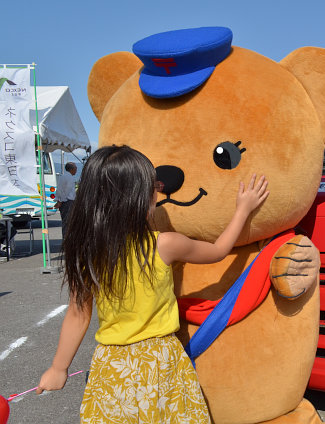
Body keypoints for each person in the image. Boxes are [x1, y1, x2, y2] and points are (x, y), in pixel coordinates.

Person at [36, 145, 269, 423]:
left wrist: (58, 368)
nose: (158, 193)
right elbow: (218, 250)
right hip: (160, 363)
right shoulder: (164, 244)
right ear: (137, 197)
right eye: (152, 187)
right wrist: (243, 210)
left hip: (112, 368)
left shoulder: (88, 253)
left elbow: (77, 315)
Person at [55, 162, 78, 237]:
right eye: (75, 168)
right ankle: (66, 239)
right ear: (71, 169)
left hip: (64, 201)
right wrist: (61, 201)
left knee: (65, 222)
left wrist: (58, 200)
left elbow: (59, 190)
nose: (76, 170)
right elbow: (67, 190)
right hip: (68, 202)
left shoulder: (63, 176)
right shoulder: (70, 178)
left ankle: (65, 238)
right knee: (68, 222)